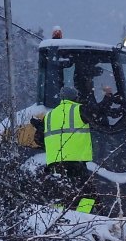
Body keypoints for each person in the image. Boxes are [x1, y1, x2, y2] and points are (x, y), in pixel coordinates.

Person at [33, 85, 119, 213]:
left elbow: (39, 140)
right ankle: (81, 217)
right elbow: (99, 112)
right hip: (75, 163)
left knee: (60, 195)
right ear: (75, 98)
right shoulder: (78, 110)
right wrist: (108, 96)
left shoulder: (49, 116)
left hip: (54, 164)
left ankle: (58, 220)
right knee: (88, 195)